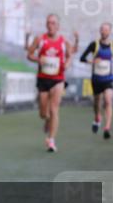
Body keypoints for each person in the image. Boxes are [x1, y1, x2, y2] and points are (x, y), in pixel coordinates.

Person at [26, 14, 76, 153]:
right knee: (43, 113)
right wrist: (38, 59)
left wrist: (67, 63)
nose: (50, 25)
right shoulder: (40, 39)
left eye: (53, 23)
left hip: (58, 79)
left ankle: (51, 140)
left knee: (54, 109)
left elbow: (71, 55)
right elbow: (29, 54)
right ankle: (46, 119)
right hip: (43, 79)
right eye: (48, 23)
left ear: (58, 26)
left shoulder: (64, 41)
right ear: (45, 24)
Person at [79, 22, 113, 140]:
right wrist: (92, 62)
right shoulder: (94, 44)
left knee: (108, 100)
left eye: (106, 30)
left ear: (109, 31)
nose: (104, 32)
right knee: (97, 102)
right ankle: (97, 118)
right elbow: (82, 58)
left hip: (108, 78)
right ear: (100, 31)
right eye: (102, 29)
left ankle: (107, 128)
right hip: (96, 79)